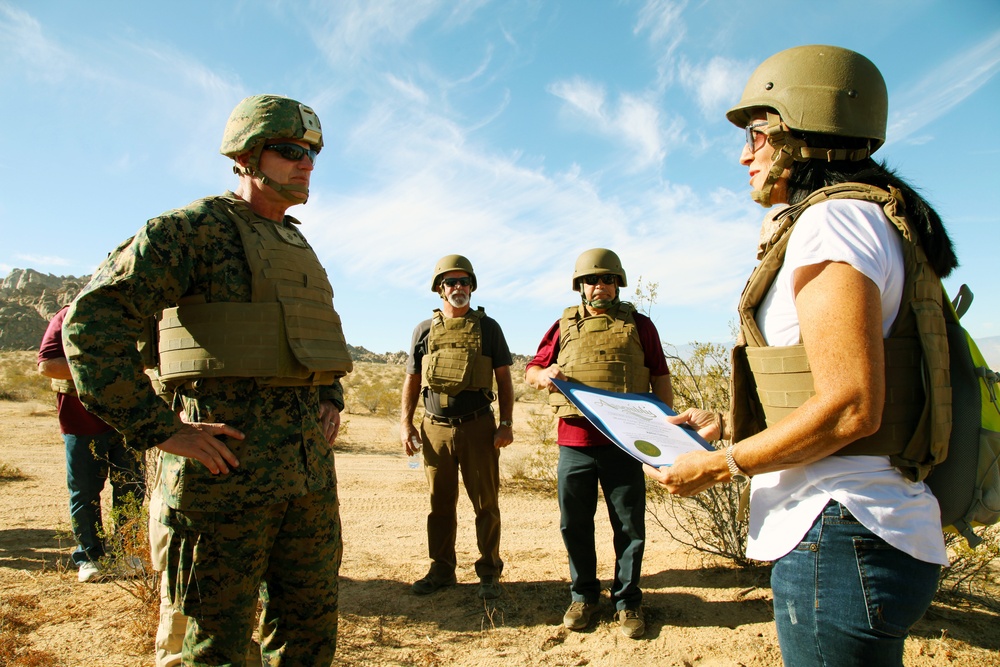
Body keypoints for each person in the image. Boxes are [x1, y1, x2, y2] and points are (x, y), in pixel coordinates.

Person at [644, 45, 957, 666]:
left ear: (799, 137)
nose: (744, 155)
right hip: (863, 535)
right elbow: (843, 389)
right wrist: (732, 427)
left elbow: (851, 409)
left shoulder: (833, 222)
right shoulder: (871, 219)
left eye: (758, 136)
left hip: (841, 535)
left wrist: (720, 466)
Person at [62, 94, 353, 665]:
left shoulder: (298, 245)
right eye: (290, 150)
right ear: (246, 155)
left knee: (310, 637)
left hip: (307, 479)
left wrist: (328, 396)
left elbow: (310, 339)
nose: (307, 163)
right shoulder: (187, 232)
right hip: (219, 480)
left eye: (313, 152)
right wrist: (160, 429)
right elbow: (91, 325)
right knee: (215, 649)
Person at [525, 248, 673, 639]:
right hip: (574, 442)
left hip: (624, 444)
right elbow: (532, 370)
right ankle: (584, 595)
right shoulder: (562, 326)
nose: (600, 286)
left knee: (628, 526)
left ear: (617, 283)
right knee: (574, 523)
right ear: (581, 286)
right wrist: (545, 373)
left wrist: (663, 432)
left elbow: (659, 377)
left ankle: (627, 601)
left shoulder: (640, 326)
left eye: (607, 279)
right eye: (592, 280)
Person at [400, 254, 515, 600]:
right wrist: (406, 424)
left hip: (478, 427)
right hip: (435, 429)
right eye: (451, 282)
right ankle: (441, 569)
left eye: (464, 282)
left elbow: (505, 380)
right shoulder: (423, 330)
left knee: (486, 503)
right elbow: (412, 379)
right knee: (440, 504)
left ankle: (490, 572)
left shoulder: (488, 328)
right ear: (439, 289)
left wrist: (506, 423)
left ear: (472, 287)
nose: (458, 287)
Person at [37, 305, 145, 583]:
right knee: (84, 492)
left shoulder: (134, 313)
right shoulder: (68, 315)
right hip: (81, 421)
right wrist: (105, 372)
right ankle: (89, 557)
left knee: (131, 488)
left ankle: (128, 554)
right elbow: (48, 365)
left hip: (129, 418)